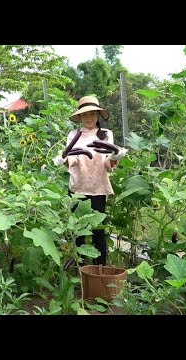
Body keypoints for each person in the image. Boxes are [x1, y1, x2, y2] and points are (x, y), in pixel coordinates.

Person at [54, 95, 127, 266]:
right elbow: (75, 158)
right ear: (79, 117)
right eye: (85, 114)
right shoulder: (75, 134)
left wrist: (116, 156)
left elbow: (108, 164)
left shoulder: (106, 135)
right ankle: (79, 267)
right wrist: (63, 159)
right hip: (77, 189)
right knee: (78, 231)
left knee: (97, 231)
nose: (89, 118)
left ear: (98, 115)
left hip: (98, 188)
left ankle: (99, 268)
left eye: (93, 114)